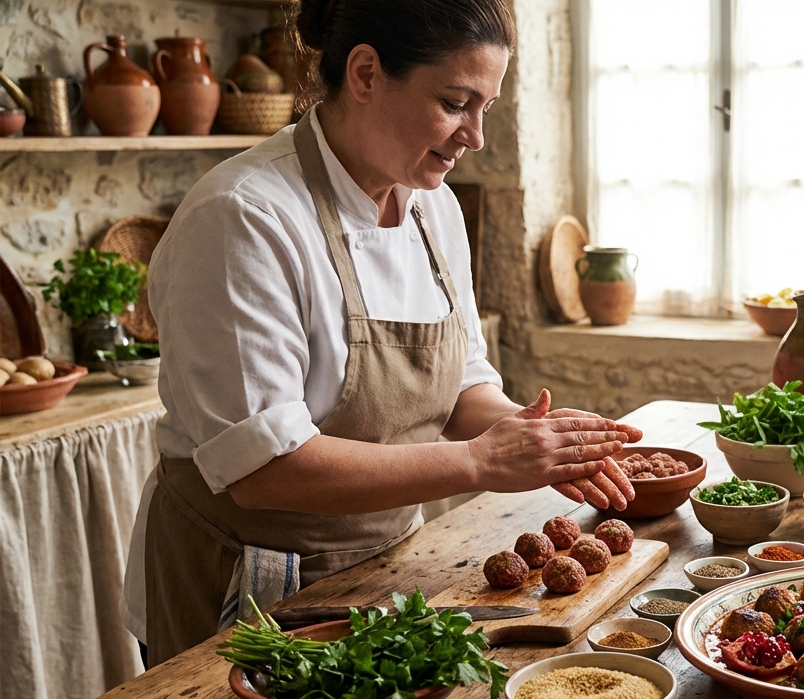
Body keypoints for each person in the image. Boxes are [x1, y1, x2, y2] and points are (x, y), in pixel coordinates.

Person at [122, 0, 635, 665]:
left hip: (387, 568)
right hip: (246, 582)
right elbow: (264, 469)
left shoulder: (435, 206)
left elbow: (459, 386)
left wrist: (539, 440)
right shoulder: (243, 218)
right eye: (455, 102)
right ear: (364, 73)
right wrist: (483, 462)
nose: (474, 136)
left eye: (487, 107)